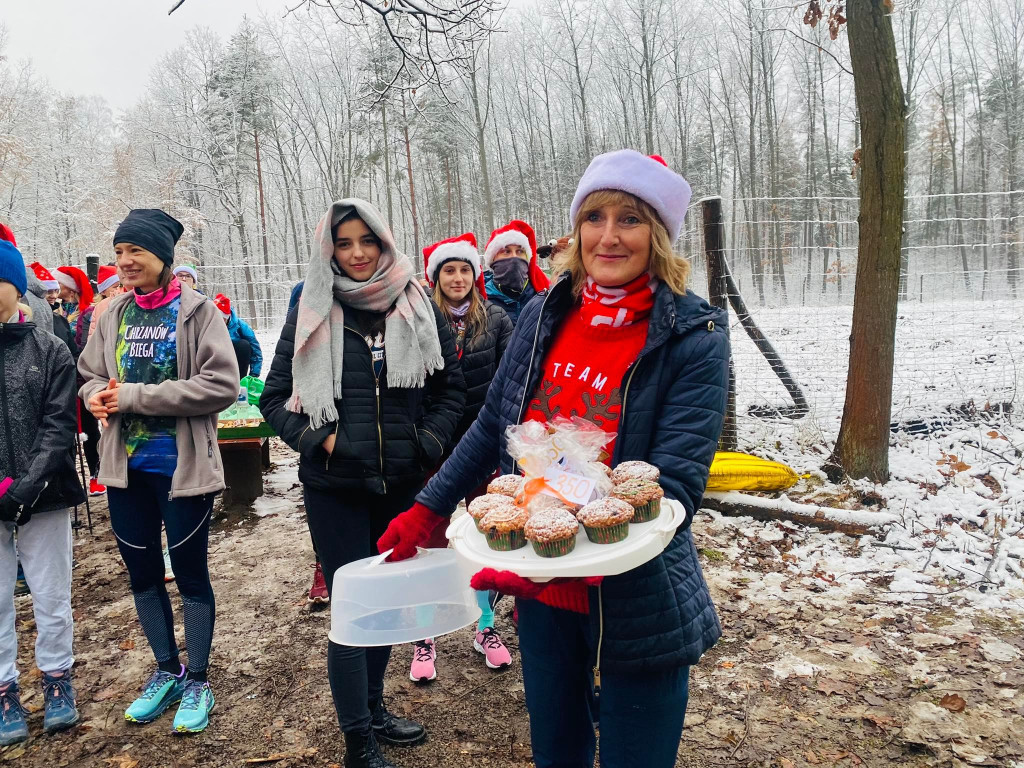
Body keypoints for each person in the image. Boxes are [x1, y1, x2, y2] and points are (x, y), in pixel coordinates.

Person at [379, 150, 730, 768]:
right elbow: (496, 424)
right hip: (546, 599)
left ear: (662, 234)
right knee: (557, 756)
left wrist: (584, 555)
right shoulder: (546, 314)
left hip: (638, 597)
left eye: (632, 218)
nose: (609, 235)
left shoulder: (692, 337)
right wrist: (428, 510)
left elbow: (674, 483)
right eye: (595, 215)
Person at [259, 198, 465, 768]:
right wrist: (324, 441)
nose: (356, 253)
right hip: (334, 489)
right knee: (353, 608)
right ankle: (358, 742)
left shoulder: (417, 300)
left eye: (366, 241)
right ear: (330, 247)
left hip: (401, 484)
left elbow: (452, 391)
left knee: (389, 607)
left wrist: (425, 444)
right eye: (343, 243)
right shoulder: (312, 303)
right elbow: (273, 398)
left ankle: (374, 709)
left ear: (384, 243)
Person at [79, 208, 239, 734]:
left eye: (136, 253)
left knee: (191, 575)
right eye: (120, 252)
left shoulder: (198, 312)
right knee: (143, 576)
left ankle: (198, 678)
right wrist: (96, 397)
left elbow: (221, 386)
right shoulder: (113, 315)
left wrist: (135, 396)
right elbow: (88, 374)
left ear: (163, 258)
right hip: (126, 472)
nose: (125, 262)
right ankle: (165, 670)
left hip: (182, 471)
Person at [409, 233, 514, 683]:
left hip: (482, 448)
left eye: (464, 270)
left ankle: (486, 626)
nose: (457, 278)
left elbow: (512, 378)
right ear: (435, 277)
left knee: (485, 537)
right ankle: (425, 633)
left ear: (475, 275)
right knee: (428, 539)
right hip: (433, 447)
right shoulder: (416, 320)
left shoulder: (496, 319)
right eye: (448, 270)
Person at [0, 238, 85, 745]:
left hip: (46, 496)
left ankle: (57, 679)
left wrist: (25, 485)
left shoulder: (49, 347)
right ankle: (4, 689)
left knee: (52, 595)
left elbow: (59, 424)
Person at [481, 220, 551, 326]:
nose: (514, 257)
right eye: (506, 251)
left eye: (520, 251)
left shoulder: (544, 297)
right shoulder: (479, 300)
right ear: (493, 259)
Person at [213, 294, 262, 380]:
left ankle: (239, 380)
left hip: (236, 359)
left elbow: (255, 349)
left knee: (244, 345)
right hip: (216, 359)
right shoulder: (208, 325)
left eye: (222, 319)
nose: (219, 322)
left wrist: (254, 374)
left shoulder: (240, 325)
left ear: (227, 317)